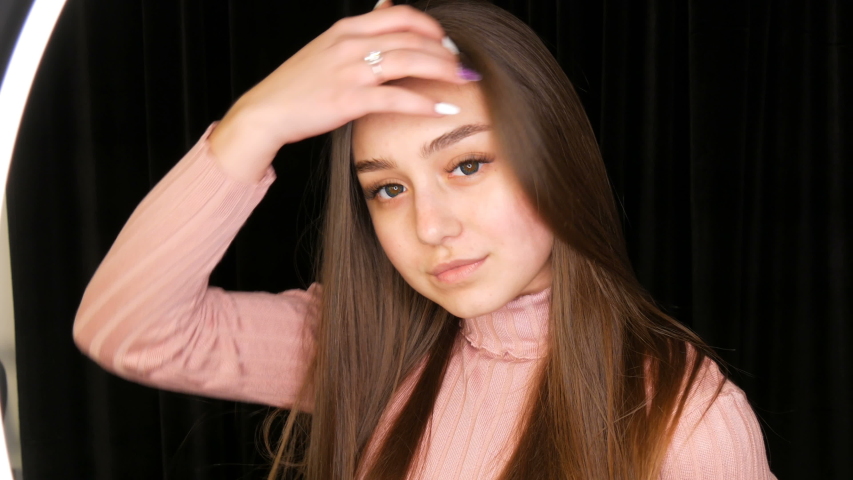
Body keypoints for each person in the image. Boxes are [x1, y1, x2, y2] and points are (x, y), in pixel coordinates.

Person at [73, 0, 776, 478]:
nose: (430, 227)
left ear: (554, 157)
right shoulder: (367, 347)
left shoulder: (683, 418)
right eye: (388, 188)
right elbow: (129, 331)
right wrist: (257, 121)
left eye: (466, 165)